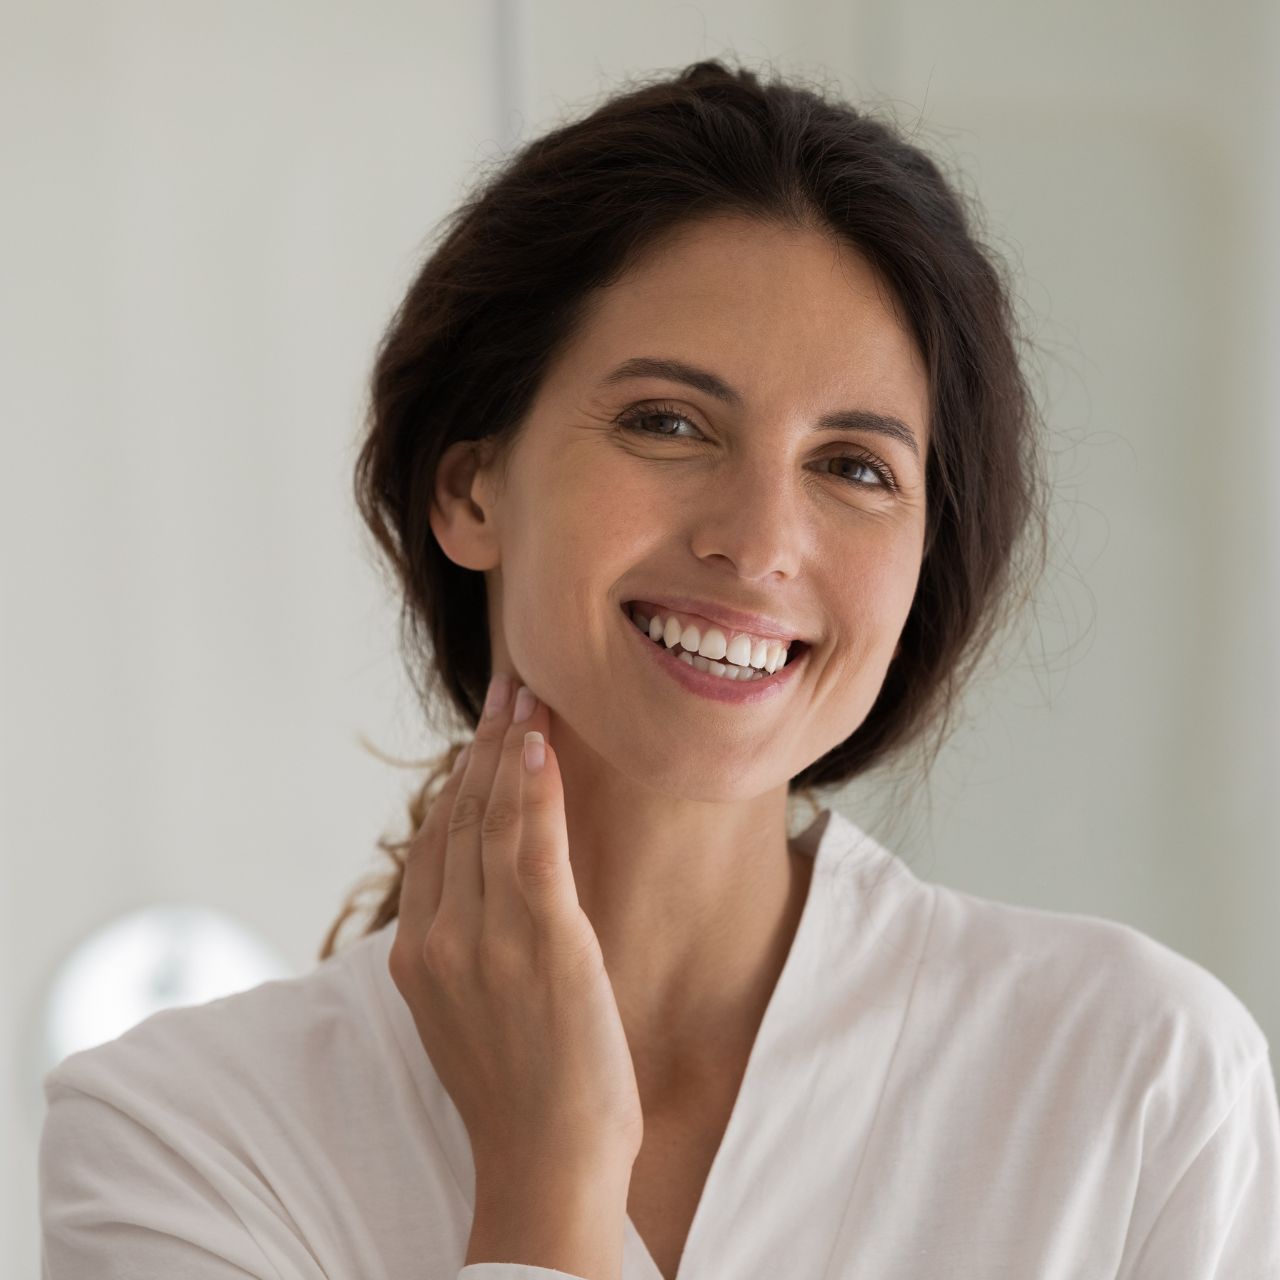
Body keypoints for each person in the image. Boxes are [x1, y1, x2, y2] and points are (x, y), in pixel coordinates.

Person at [39, 58, 1279, 1280]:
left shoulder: (1139, 1083)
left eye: (852, 465)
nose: (757, 540)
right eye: (667, 423)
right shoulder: (183, 1141)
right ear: (470, 486)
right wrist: (546, 1176)